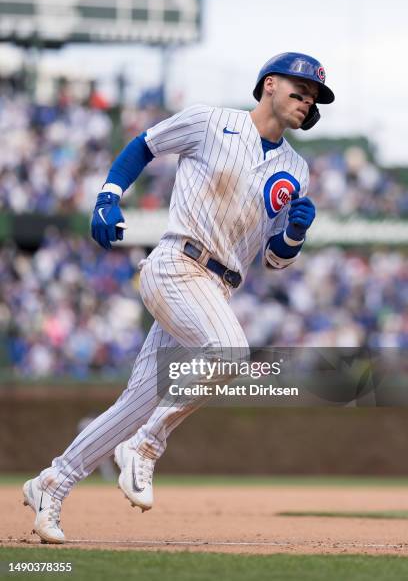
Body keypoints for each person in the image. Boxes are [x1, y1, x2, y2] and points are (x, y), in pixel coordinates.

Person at [23, 52, 334, 543]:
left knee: (135, 404)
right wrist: (108, 195)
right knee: (229, 350)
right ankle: (146, 447)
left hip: (218, 285)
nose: (309, 98)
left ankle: (52, 484)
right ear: (269, 84)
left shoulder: (296, 168)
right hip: (175, 262)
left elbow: (275, 261)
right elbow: (145, 145)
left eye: (315, 96)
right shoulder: (211, 121)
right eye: (301, 88)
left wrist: (293, 235)